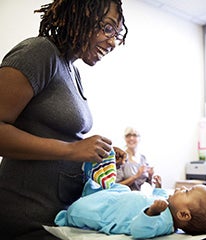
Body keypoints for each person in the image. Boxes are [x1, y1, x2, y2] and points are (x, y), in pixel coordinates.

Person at [0, 0, 128, 239]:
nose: (112, 42)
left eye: (117, 34)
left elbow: (62, 138)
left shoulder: (71, 70)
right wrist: (72, 149)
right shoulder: (38, 52)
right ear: (80, 15)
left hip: (61, 221)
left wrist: (99, 153)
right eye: (108, 28)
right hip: (26, 222)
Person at [55, 176, 206, 239]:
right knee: (120, 188)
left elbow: (139, 231)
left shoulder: (163, 223)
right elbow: (157, 197)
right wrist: (158, 187)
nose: (180, 189)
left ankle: (68, 216)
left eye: (186, 192)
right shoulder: (169, 207)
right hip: (121, 198)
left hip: (110, 212)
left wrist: (151, 213)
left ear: (184, 215)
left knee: (82, 209)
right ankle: (93, 191)